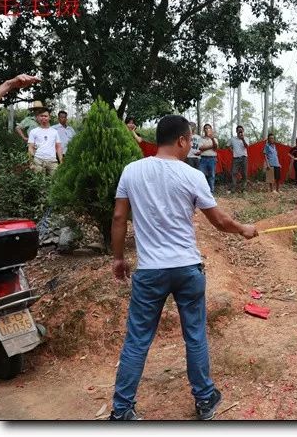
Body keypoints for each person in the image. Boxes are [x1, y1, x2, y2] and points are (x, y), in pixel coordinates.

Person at [109, 114, 257, 421]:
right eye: (190, 140)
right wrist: (243, 228)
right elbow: (219, 222)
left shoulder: (131, 171)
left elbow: (119, 218)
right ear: (180, 140)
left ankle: (122, 410)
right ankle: (204, 399)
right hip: (187, 269)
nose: (191, 145)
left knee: (137, 340)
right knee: (195, 335)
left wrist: (118, 258)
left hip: (150, 271)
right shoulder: (192, 176)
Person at [27, 107, 63, 175]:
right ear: (38, 117)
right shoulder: (33, 131)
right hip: (38, 160)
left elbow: (58, 147)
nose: (43, 118)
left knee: (55, 181)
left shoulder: (55, 132)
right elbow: (30, 148)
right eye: (41, 116)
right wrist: (31, 162)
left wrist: (61, 161)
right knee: (39, 183)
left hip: (52, 161)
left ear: (49, 117)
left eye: (46, 116)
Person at [227, 125, 249, 193]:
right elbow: (227, 145)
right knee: (234, 173)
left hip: (244, 158)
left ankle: (243, 189)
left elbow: (246, 146)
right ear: (236, 131)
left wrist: (242, 139)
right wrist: (232, 151)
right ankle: (233, 189)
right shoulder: (232, 139)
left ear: (243, 131)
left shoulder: (246, 138)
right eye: (239, 130)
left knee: (244, 174)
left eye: (241, 130)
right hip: (235, 158)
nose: (240, 132)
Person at [198, 124, 218, 193]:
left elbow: (215, 148)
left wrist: (212, 139)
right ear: (204, 130)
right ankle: (202, 192)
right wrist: (211, 146)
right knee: (201, 176)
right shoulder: (200, 139)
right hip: (203, 159)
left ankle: (211, 192)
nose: (207, 130)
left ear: (211, 130)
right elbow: (201, 148)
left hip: (212, 159)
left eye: (209, 128)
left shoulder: (214, 139)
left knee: (212, 176)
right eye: (206, 128)